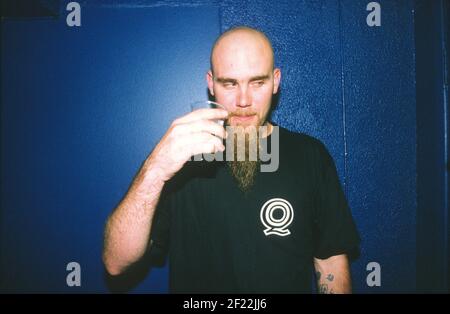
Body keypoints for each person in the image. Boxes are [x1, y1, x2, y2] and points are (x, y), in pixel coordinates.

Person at [102, 26, 360, 294]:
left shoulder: (310, 156)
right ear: (211, 84)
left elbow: (330, 263)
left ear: (276, 81)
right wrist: (156, 168)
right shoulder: (181, 159)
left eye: (257, 82)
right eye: (230, 83)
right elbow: (116, 263)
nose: (244, 100)